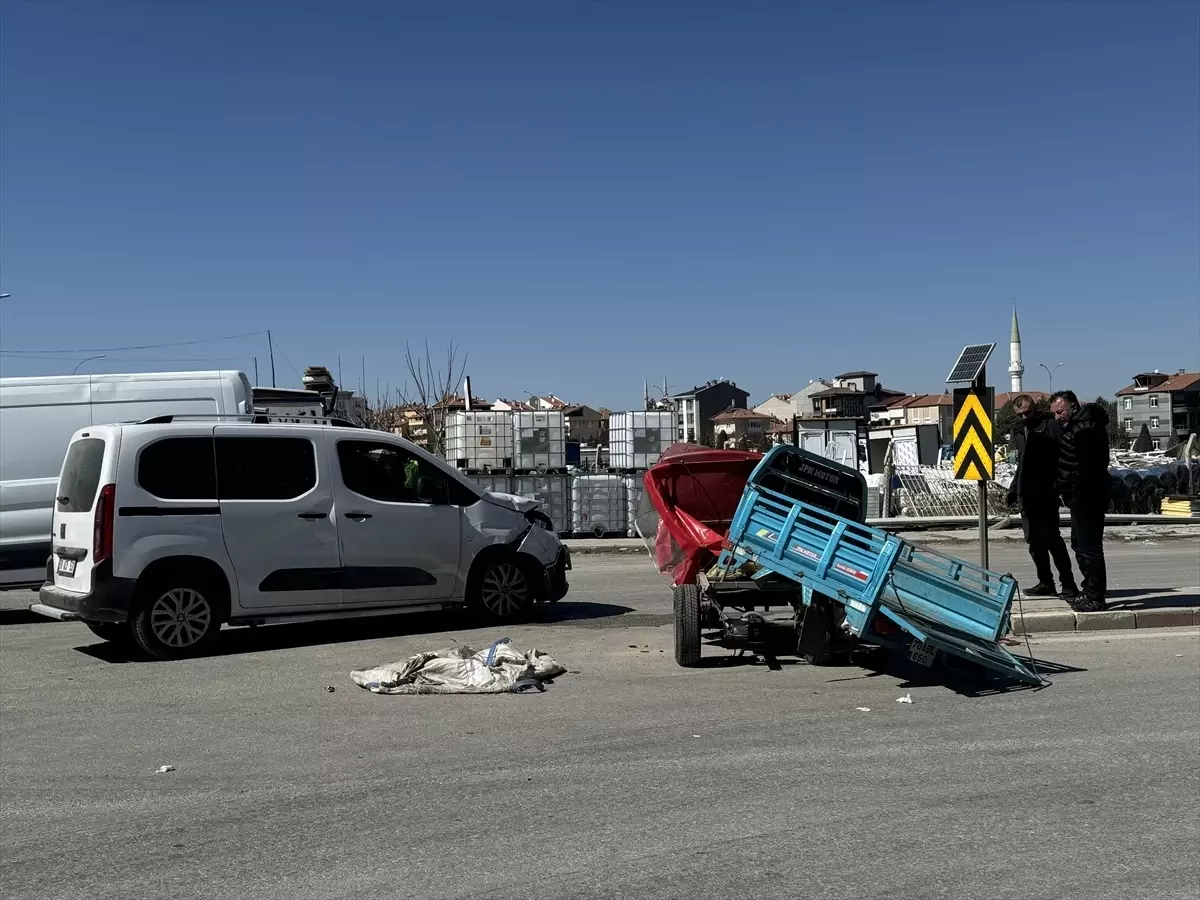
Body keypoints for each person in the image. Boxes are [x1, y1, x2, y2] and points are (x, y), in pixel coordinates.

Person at [1006, 394, 1078, 598]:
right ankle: (1045, 581)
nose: (1024, 417)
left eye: (1027, 412)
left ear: (1035, 409)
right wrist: (1013, 489)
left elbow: (1063, 458)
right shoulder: (1019, 431)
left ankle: (1068, 583)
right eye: (1020, 414)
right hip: (1026, 494)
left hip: (1046, 493)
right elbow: (1022, 464)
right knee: (1034, 542)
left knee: (1052, 540)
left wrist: (1058, 485)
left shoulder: (1050, 427)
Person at [1050, 390, 1111, 612]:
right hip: (1078, 495)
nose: (1058, 417)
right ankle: (1089, 591)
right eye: (1054, 413)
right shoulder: (1076, 426)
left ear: (1073, 407)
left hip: (1088, 495)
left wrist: (1068, 482)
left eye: (1060, 411)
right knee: (1079, 545)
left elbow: (1088, 467)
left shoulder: (1086, 429)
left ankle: (1096, 596)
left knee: (1089, 548)